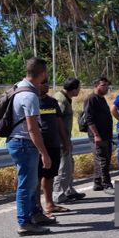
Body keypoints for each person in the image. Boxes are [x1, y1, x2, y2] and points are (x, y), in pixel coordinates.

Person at [6, 57, 53, 236]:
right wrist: (44, 153)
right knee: (26, 185)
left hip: (17, 142)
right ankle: (24, 222)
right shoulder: (30, 95)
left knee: (30, 183)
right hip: (25, 144)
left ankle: (34, 214)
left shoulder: (19, 87)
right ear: (42, 74)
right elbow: (33, 129)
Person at [35, 79, 70, 216]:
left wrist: (65, 141)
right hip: (38, 145)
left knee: (49, 175)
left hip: (53, 144)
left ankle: (49, 204)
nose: (46, 85)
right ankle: (37, 207)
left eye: (47, 83)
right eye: (43, 83)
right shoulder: (31, 101)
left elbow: (59, 122)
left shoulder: (52, 102)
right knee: (37, 176)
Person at [54, 78, 86, 203]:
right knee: (63, 167)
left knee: (69, 165)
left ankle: (68, 190)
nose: (79, 90)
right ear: (73, 89)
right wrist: (63, 141)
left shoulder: (65, 98)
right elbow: (57, 120)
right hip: (61, 140)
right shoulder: (60, 99)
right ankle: (58, 194)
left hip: (66, 138)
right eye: (79, 88)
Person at [83, 77, 115, 194]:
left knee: (103, 159)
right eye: (103, 85)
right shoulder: (91, 99)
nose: (106, 87)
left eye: (107, 85)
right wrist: (96, 135)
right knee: (102, 160)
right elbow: (89, 118)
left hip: (106, 135)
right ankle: (107, 184)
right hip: (98, 135)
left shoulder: (101, 99)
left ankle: (97, 183)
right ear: (96, 86)